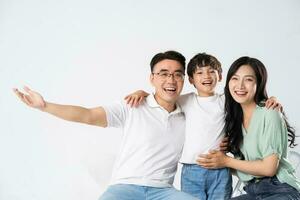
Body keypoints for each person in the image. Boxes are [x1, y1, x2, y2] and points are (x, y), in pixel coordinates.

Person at [13, 50, 199, 200]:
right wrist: (44, 106)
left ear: (184, 79)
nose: (171, 80)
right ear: (152, 78)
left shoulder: (189, 111)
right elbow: (88, 115)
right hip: (125, 188)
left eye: (177, 75)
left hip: (163, 191)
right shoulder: (133, 106)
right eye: (163, 74)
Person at [125, 53, 280, 200]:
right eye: (199, 73)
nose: (206, 76)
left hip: (220, 169)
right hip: (192, 169)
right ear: (191, 79)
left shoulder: (226, 100)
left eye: (211, 71)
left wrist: (272, 98)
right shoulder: (185, 100)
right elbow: (162, 97)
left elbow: (248, 97)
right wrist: (142, 93)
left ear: (219, 76)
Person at [197, 56, 300, 199]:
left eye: (248, 79)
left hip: (280, 190)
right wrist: (217, 161)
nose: (240, 86)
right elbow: (245, 166)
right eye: (235, 78)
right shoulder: (233, 118)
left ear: (259, 83)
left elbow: (269, 169)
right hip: (253, 191)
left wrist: (226, 161)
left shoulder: (270, 113)